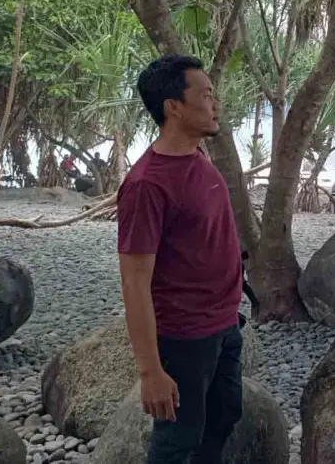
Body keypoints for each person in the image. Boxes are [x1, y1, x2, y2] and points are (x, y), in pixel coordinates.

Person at [116, 54, 244, 464]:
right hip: (185, 336)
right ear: (174, 107)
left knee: (223, 418)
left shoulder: (198, 157)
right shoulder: (146, 185)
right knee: (177, 442)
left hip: (225, 324)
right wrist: (150, 372)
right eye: (205, 95)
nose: (215, 104)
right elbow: (134, 281)